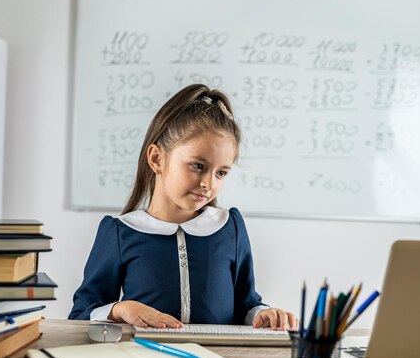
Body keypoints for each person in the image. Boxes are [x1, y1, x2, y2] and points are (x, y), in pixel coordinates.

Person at [69, 84, 298, 331]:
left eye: (221, 173)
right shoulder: (119, 231)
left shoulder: (229, 227)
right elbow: (81, 315)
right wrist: (122, 309)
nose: (208, 184)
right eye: (198, 165)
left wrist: (263, 313)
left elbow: (246, 303)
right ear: (157, 158)